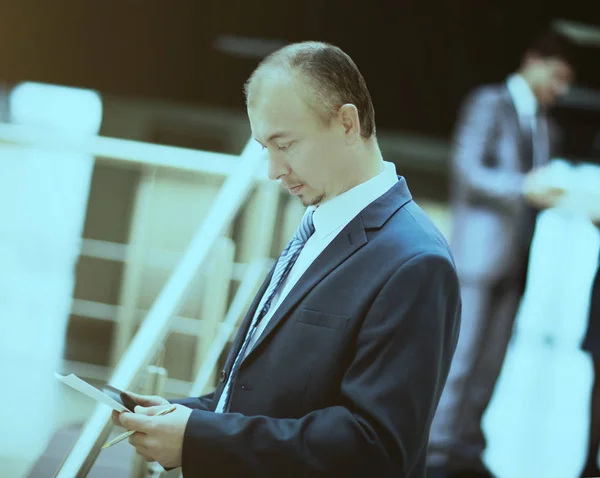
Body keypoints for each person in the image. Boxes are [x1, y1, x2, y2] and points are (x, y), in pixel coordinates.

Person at [112, 41, 461, 477]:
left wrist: (201, 438)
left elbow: (375, 448)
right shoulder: (319, 222)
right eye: (265, 148)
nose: (273, 170)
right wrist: (187, 418)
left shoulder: (416, 263)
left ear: (348, 123)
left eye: (286, 144)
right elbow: (270, 398)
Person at [427, 31, 576, 478]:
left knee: (491, 364)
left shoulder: (550, 127)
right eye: (559, 75)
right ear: (533, 60)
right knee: (460, 359)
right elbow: (468, 170)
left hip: (517, 261)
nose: (562, 88)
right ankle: (433, 451)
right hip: (477, 256)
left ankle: (464, 447)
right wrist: (524, 186)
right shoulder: (488, 103)